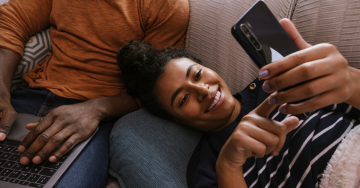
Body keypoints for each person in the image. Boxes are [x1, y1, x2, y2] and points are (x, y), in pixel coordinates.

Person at [116, 18, 360, 188]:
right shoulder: (207, 167)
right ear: (175, 119)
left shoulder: (274, 80)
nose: (202, 90)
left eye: (198, 75)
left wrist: (350, 81)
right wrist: (229, 165)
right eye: (183, 98)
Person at [0, 0, 189, 187]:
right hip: (32, 96)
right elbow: (12, 19)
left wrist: (95, 109)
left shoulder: (166, 5)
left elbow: (156, 88)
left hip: (100, 118)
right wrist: (2, 93)